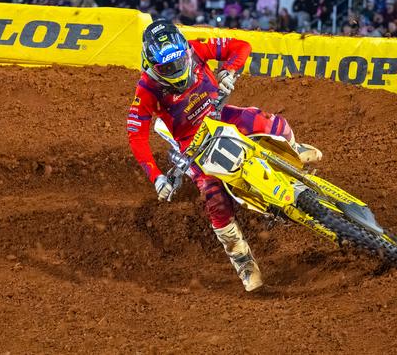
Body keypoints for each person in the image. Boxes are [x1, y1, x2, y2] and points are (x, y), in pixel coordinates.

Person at [126, 19, 322, 292]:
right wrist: (156, 177)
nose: (177, 70)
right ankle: (242, 259)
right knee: (214, 196)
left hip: (219, 114)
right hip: (193, 142)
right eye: (167, 68)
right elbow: (136, 136)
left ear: (184, 50)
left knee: (268, 123)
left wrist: (229, 71)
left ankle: (293, 149)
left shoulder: (196, 49)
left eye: (179, 61)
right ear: (151, 66)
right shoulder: (146, 88)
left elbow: (241, 46)